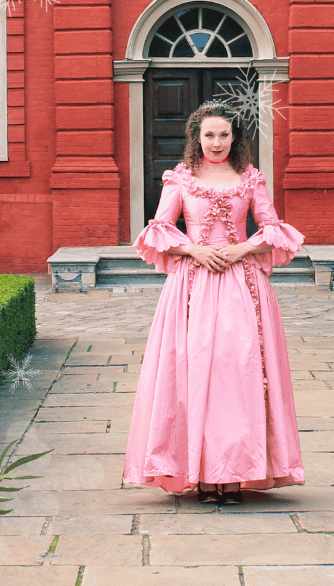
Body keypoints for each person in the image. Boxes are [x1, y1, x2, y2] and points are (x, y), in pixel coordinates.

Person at [122, 101, 306, 505]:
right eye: (209, 135)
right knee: (194, 373)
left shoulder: (250, 178)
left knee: (238, 375)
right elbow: (161, 229)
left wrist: (240, 250)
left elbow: (272, 229)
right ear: (196, 137)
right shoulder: (181, 179)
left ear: (235, 137)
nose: (217, 142)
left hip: (243, 287)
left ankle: (236, 475)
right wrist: (194, 250)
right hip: (194, 286)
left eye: (224, 134)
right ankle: (202, 476)